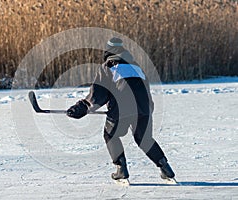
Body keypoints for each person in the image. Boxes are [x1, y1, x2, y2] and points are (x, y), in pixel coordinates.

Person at [66, 37, 175, 182]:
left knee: (110, 135)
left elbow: (98, 93)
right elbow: (146, 91)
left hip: (122, 106)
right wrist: (147, 109)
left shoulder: (109, 66)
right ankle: (165, 168)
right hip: (144, 107)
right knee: (144, 139)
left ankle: (121, 169)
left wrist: (82, 107)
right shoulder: (136, 67)